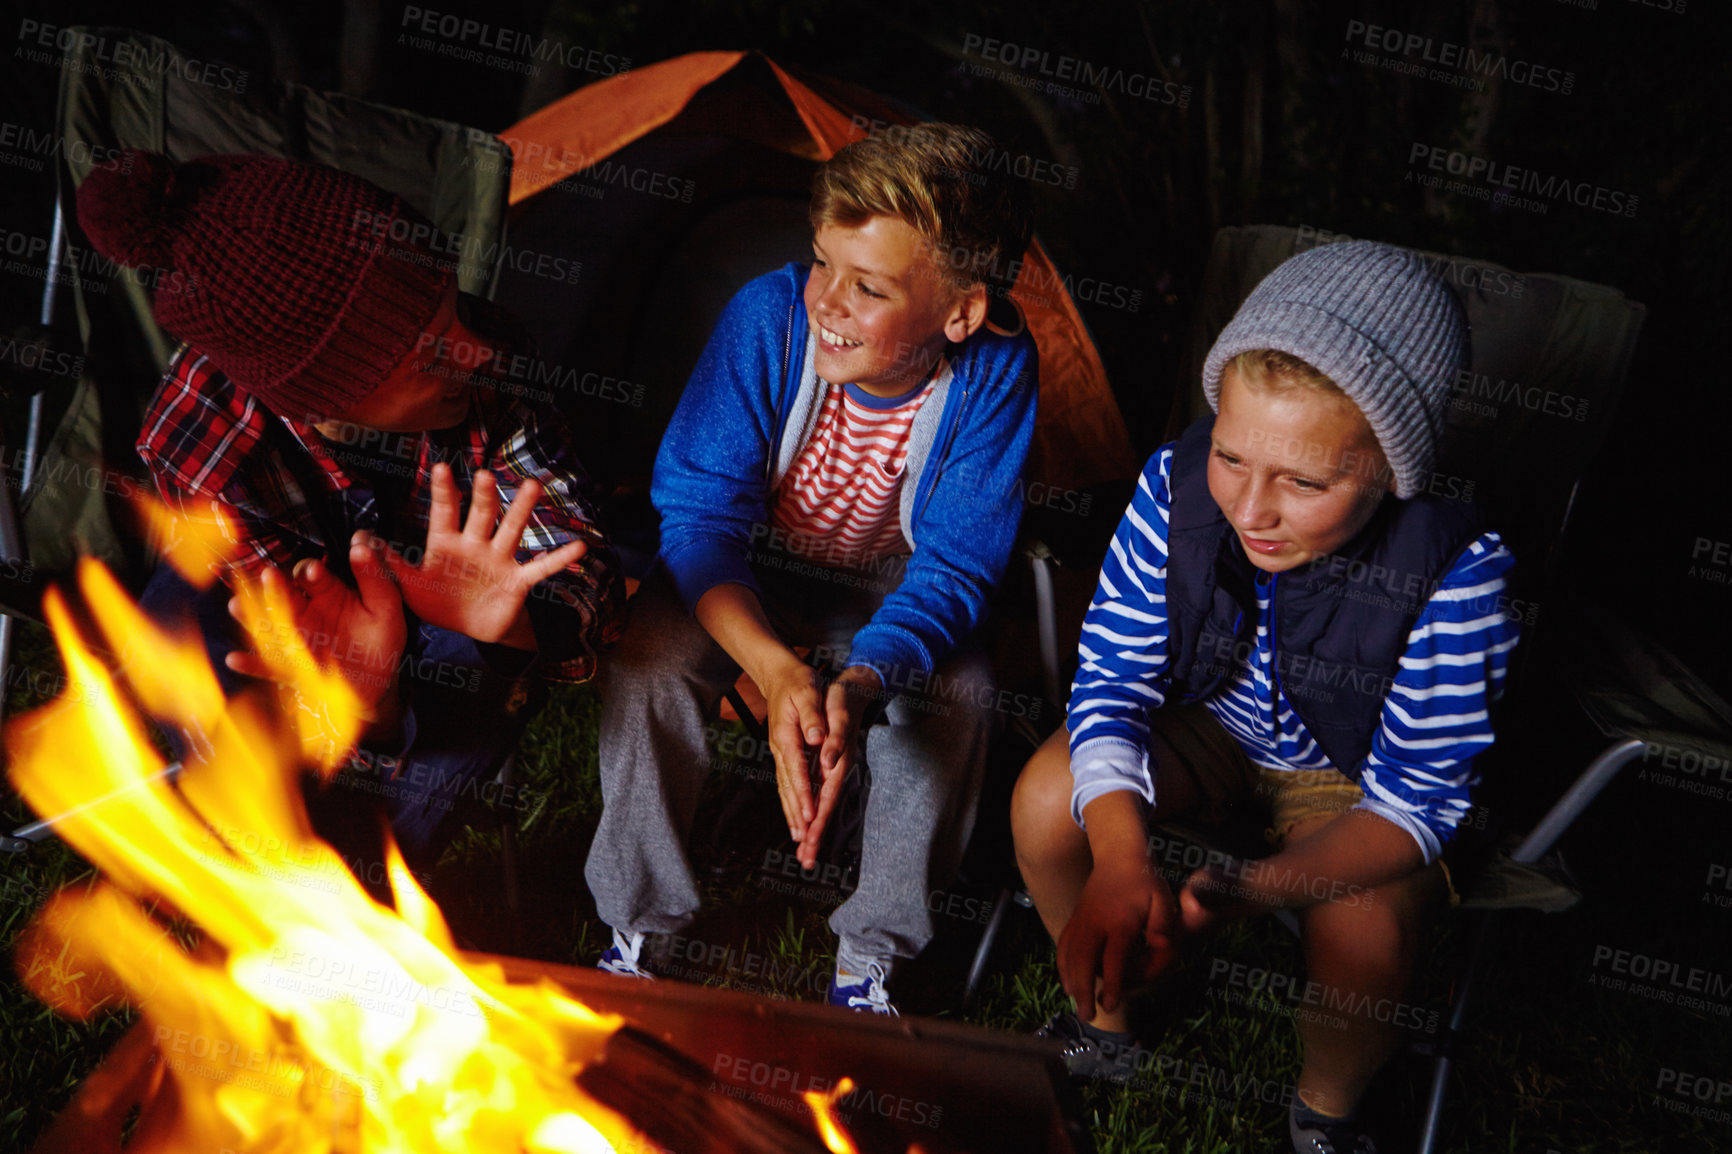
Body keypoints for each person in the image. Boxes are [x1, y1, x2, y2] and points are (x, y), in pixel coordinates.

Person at [1011, 240, 1520, 1151]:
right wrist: (1125, 861)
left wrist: (1224, 894)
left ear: (1394, 470)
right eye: (1235, 459)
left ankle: (1323, 1114)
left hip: (1354, 784)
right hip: (1207, 728)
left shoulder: (1456, 572)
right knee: (1048, 797)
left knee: (1366, 933)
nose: (1251, 510)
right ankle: (1109, 1027)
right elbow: (1114, 683)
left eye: (1305, 482)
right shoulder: (1174, 487)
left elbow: (1417, 803)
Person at [584, 122, 1038, 1013]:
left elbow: (953, 567)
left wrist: (864, 677)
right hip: (744, 568)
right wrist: (768, 664)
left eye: (867, 287)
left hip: (887, 592)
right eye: (823, 262)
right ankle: (639, 929)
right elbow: (701, 515)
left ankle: (873, 959)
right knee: (646, 660)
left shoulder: (996, 373)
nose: (827, 301)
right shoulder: (769, 317)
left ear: (961, 313)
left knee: (961, 696)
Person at [76, 150, 624, 866]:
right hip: (298, 620)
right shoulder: (197, 439)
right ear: (323, 399)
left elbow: (578, 558)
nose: (475, 351)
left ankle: (377, 890)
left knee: (470, 668)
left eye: (452, 306)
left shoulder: (495, 369)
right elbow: (293, 657)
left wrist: (510, 627)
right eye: (430, 354)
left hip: (445, 610)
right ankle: (280, 863)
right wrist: (367, 699)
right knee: (179, 621)